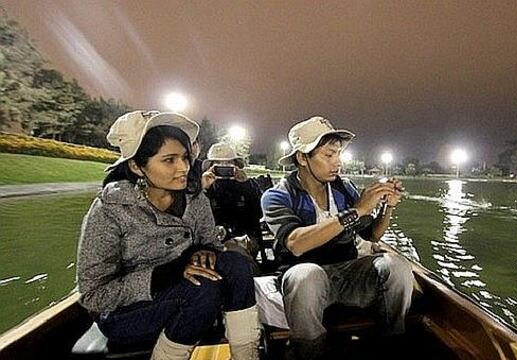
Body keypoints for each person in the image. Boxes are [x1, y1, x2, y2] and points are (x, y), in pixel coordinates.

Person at [76, 111, 261, 360]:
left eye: (185, 158)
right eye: (169, 160)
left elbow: (211, 244)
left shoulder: (194, 199)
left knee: (236, 264)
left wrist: (206, 250)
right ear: (137, 166)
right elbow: (94, 296)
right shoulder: (110, 210)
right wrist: (167, 274)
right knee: (203, 288)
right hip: (126, 313)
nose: (183, 168)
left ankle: (247, 356)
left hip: (189, 292)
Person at [261, 116, 414, 360]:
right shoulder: (277, 196)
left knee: (396, 266)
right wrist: (357, 210)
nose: (338, 163)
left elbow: (371, 234)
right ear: (302, 158)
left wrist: (388, 208)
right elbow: (296, 243)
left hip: (347, 271)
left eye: (338, 155)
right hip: (305, 276)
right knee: (306, 275)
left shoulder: (345, 188)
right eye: (328, 155)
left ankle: (390, 345)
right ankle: (309, 351)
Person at [201, 142, 266, 272]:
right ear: (210, 166)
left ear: (236, 164)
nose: (224, 168)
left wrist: (246, 185)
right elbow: (196, 217)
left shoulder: (247, 185)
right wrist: (203, 189)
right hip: (212, 240)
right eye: (219, 164)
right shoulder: (204, 188)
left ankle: (249, 280)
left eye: (228, 163)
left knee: (233, 254)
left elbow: (259, 214)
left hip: (243, 238)